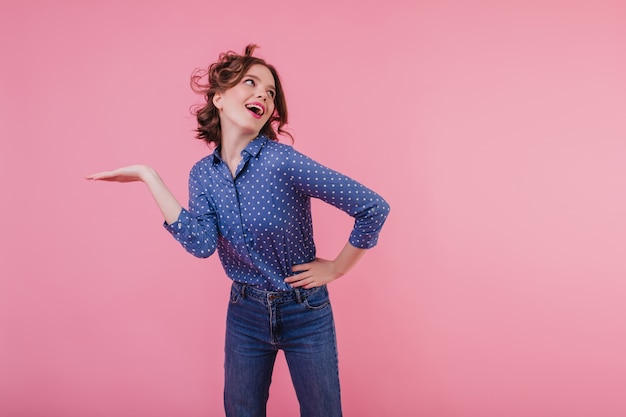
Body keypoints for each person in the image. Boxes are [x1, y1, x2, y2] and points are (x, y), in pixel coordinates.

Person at [86, 44, 390, 417]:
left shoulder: (282, 161)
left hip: (304, 310)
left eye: (271, 91)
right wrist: (148, 177)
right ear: (218, 97)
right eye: (251, 82)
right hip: (245, 313)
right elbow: (200, 244)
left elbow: (373, 207)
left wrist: (338, 267)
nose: (263, 93)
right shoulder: (202, 174)